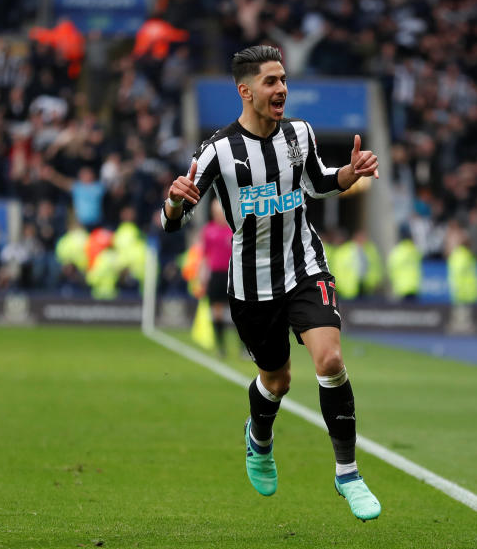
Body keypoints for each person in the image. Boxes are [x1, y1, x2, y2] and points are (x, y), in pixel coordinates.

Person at [159, 45, 381, 521]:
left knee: (331, 359)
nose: (281, 89)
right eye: (271, 81)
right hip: (251, 285)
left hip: (304, 266)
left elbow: (318, 182)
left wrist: (348, 172)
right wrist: (175, 202)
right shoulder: (218, 150)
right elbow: (174, 222)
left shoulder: (300, 134)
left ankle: (348, 473)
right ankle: (259, 439)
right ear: (246, 91)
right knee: (276, 380)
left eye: (283, 79)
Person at [201, 199, 234, 356]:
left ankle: (243, 347)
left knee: (238, 312)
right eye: (216, 212)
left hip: (232, 274)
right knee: (217, 311)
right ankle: (221, 346)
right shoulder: (208, 231)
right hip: (216, 275)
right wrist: (203, 276)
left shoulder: (233, 230)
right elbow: (204, 256)